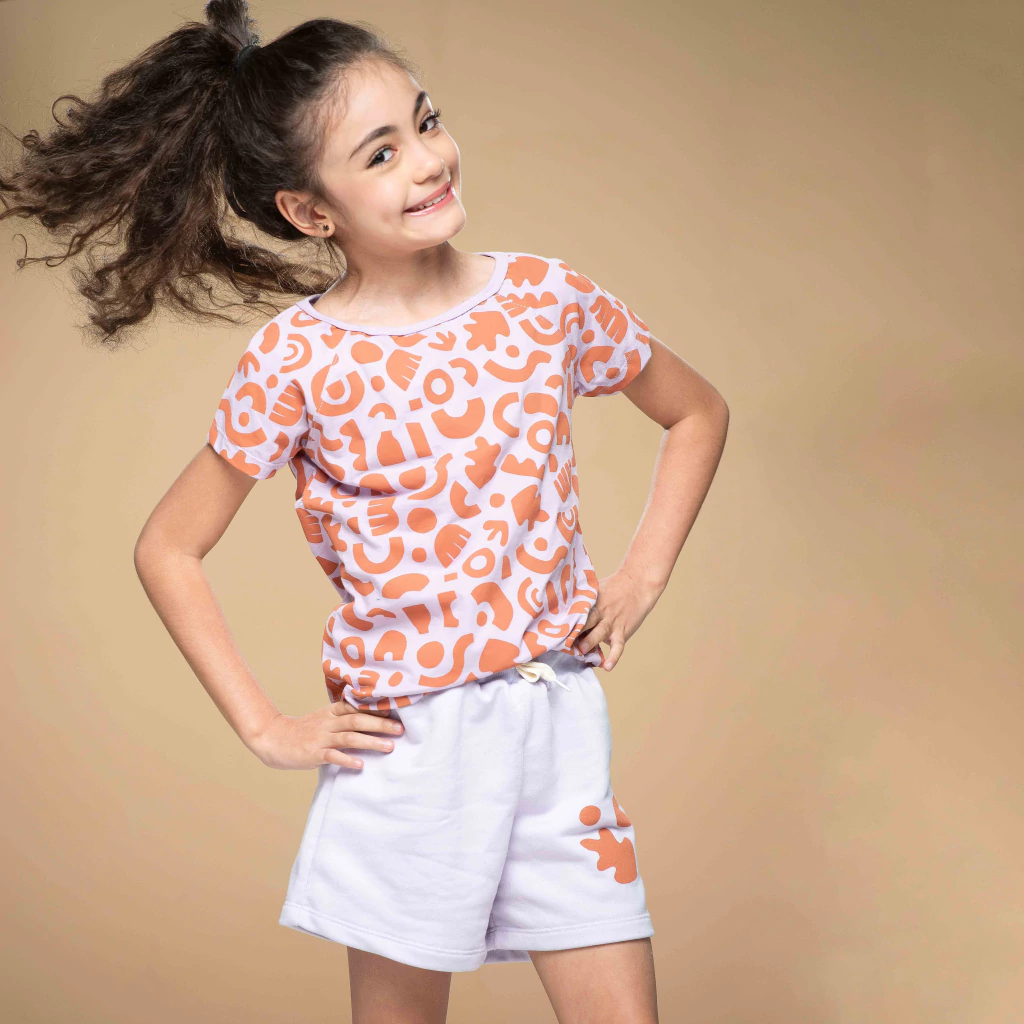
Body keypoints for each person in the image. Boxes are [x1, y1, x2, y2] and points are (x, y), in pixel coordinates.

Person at [0, 2, 729, 1020]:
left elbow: (696, 411)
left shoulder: (546, 301)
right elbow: (168, 545)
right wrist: (264, 727)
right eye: (381, 154)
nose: (428, 162)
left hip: (557, 731)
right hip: (409, 756)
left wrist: (641, 575)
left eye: (426, 123)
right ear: (311, 211)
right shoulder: (298, 359)